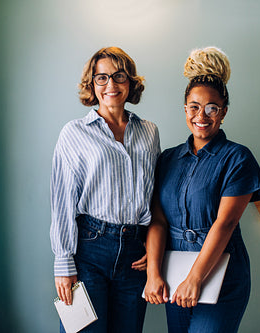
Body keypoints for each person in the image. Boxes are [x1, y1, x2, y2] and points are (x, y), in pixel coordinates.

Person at [144, 46, 260, 333]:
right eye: (194, 106)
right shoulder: (167, 159)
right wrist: (153, 272)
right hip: (174, 270)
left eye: (212, 107)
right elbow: (159, 220)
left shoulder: (238, 158)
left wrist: (196, 278)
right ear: (185, 109)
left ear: (223, 112)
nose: (202, 115)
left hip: (221, 273)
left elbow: (224, 224)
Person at [50, 46, 161, 333]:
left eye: (119, 76)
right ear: (92, 84)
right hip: (89, 251)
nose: (110, 85)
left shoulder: (149, 131)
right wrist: (63, 264)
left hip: (135, 255)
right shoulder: (73, 133)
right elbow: (62, 201)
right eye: (101, 78)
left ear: (131, 82)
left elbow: (153, 195)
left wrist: (152, 246)